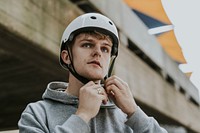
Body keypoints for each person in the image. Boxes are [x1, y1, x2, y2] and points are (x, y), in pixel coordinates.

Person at [18, 13, 167, 133]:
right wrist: (82, 116)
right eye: (87, 44)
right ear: (66, 56)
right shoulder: (37, 113)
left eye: (105, 49)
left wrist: (135, 112)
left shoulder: (125, 116)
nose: (97, 53)